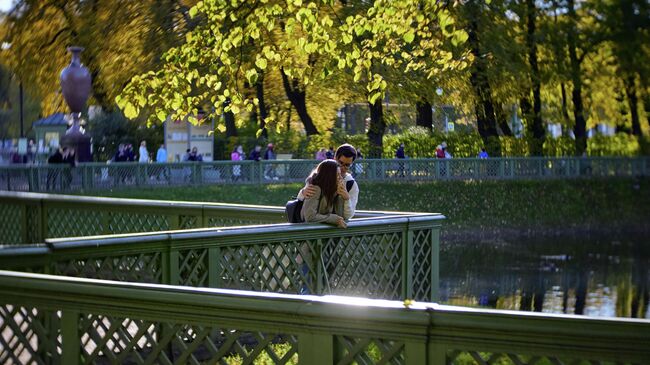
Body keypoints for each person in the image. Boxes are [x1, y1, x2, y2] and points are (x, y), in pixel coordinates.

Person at [299, 143, 359, 219]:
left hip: (337, 227)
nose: (342, 168)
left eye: (347, 165)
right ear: (334, 158)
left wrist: (346, 199)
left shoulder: (351, 184)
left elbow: (348, 216)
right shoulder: (319, 176)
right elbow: (305, 208)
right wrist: (303, 193)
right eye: (340, 163)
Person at [300, 159, 351, 228]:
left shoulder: (333, 191)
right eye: (337, 175)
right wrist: (334, 219)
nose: (340, 178)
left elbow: (341, 217)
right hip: (309, 233)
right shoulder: (315, 189)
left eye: (340, 175)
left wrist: (342, 197)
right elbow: (310, 217)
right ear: (329, 176)